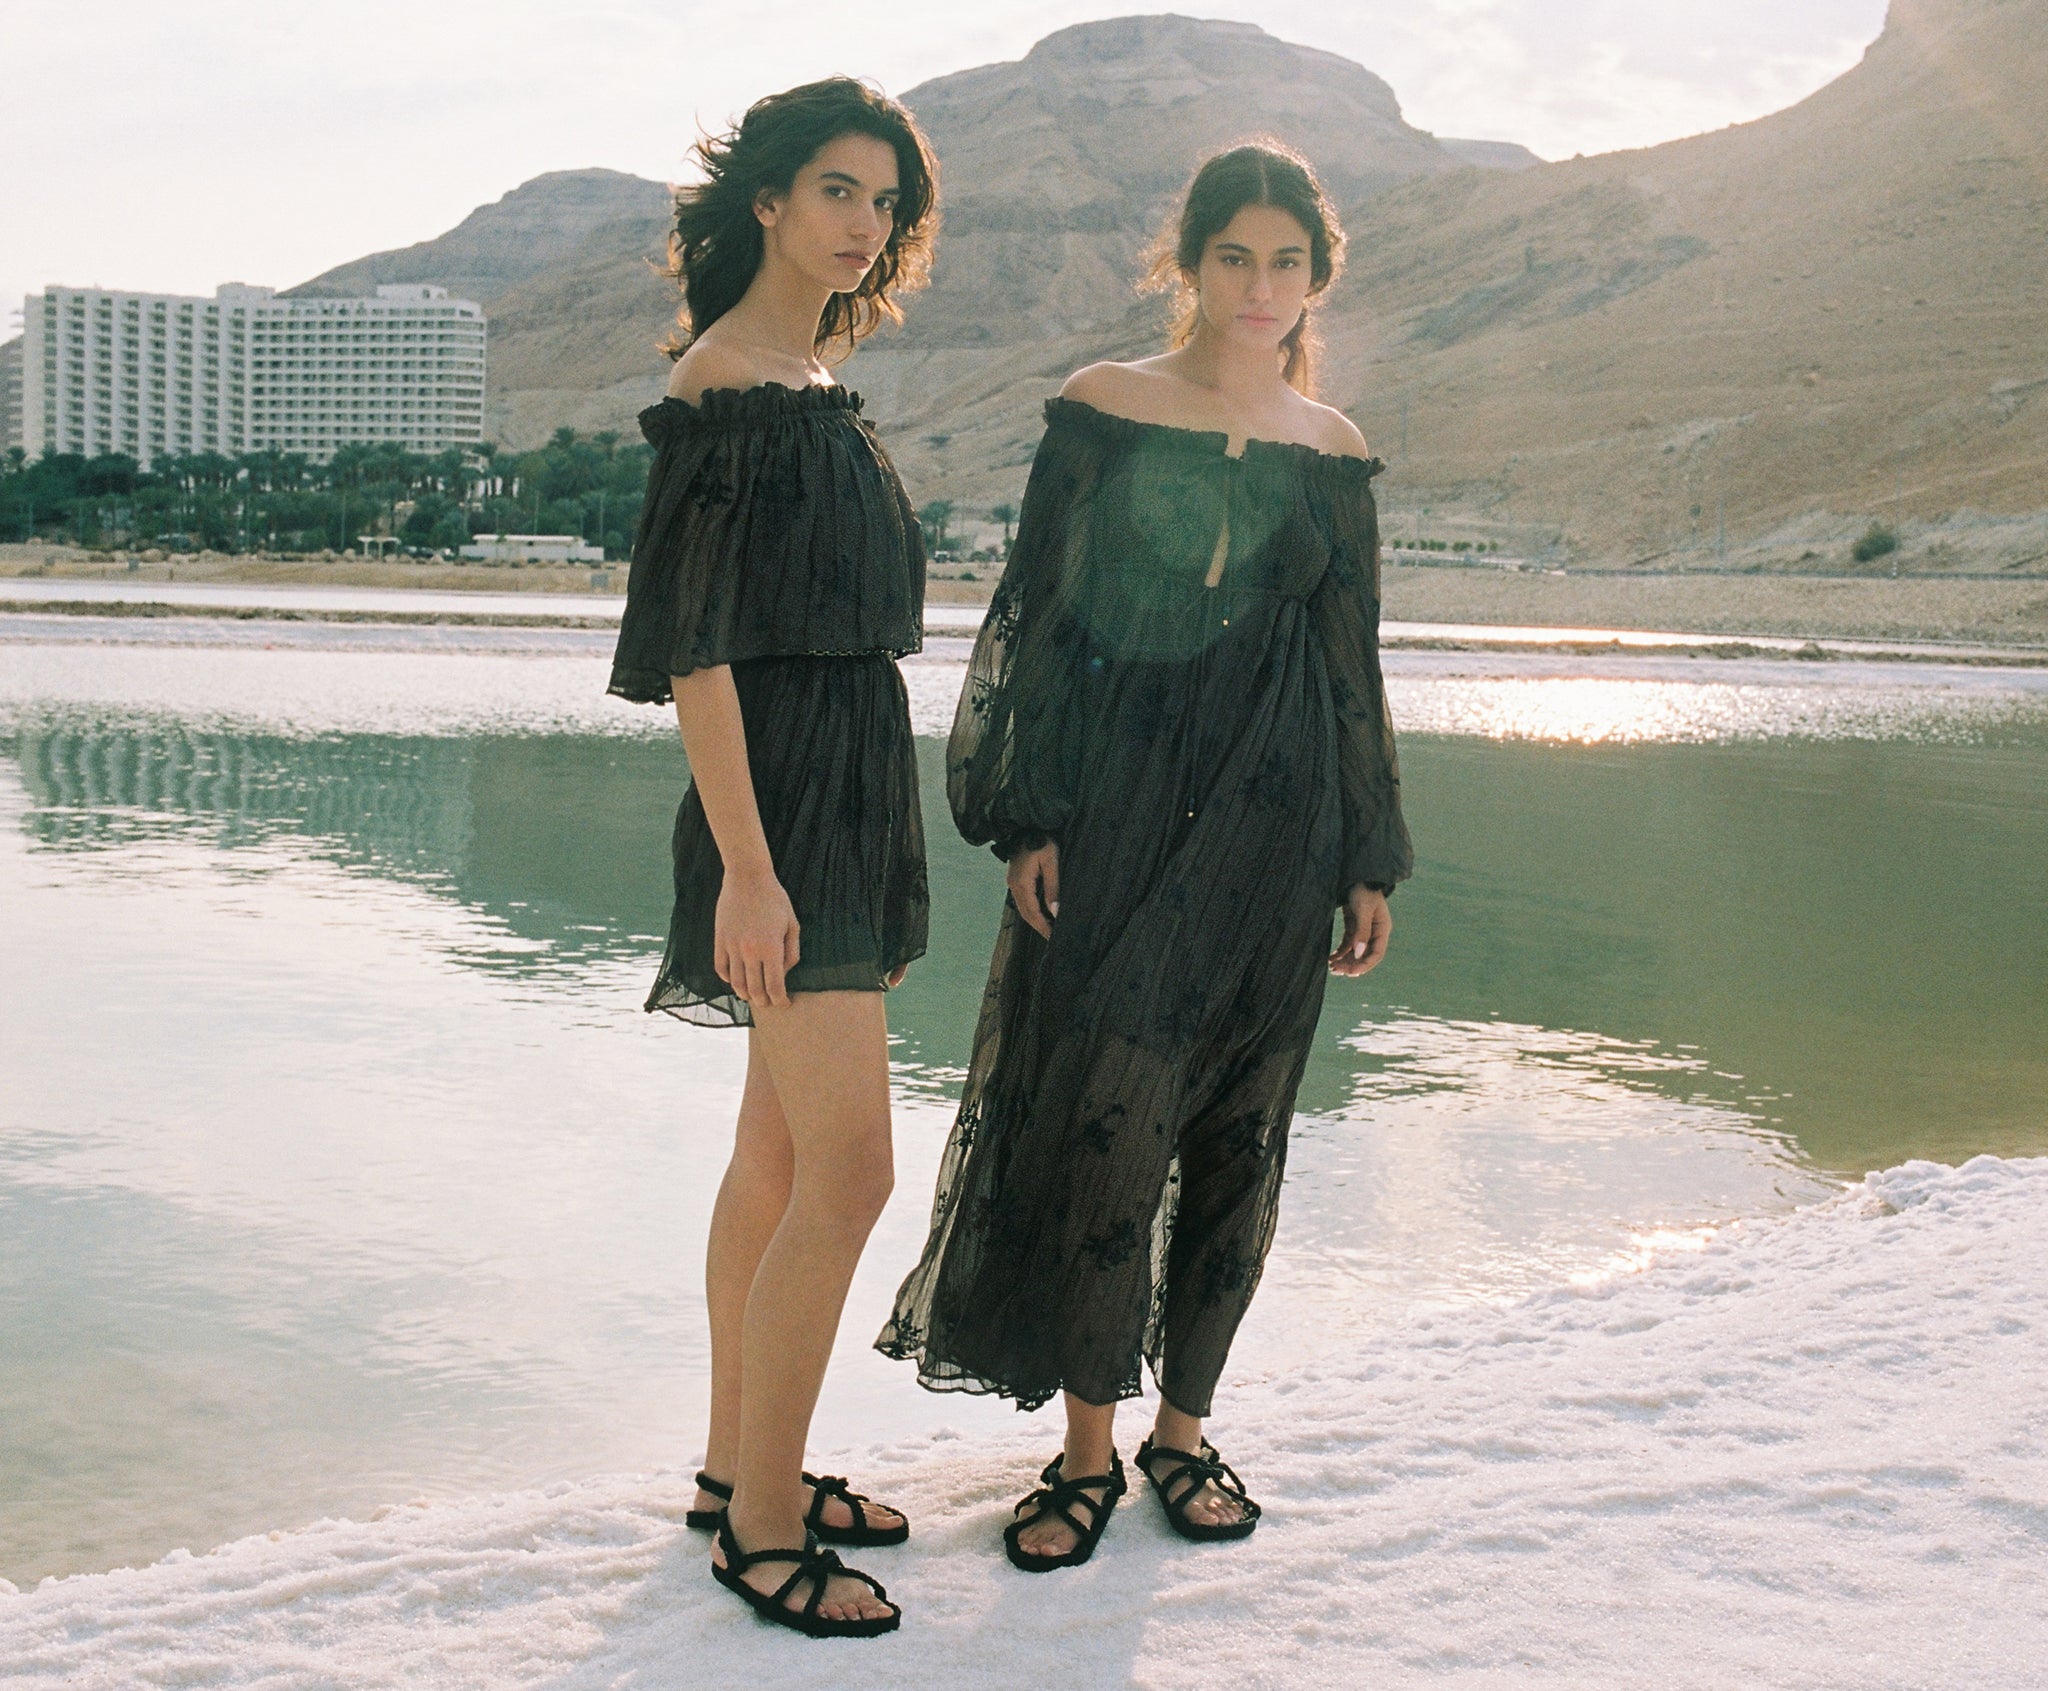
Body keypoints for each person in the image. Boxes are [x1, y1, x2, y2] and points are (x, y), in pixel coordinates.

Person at [878, 140, 1412, 1572]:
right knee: (1105, 1119)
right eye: (1234, 257)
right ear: (1190, 263)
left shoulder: (1333, 445)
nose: (1259, 286)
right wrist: (1031, 813)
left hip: (1281, 827)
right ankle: (1084, 1453)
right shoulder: (1108, 406)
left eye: (1285, 261)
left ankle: (1184, 1433)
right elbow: (1039, 617)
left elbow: (1350, 665)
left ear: (1317, 275)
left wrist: (1369, 855)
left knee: (1240, 1132)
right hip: (1117, 815)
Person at [607, 76, 938, 1638]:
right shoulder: (727, 383)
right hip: (782, 814)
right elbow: (696, 649)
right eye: (837, 191)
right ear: (769, 202)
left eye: (885, 200)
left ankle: (740, 1466)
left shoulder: (812, 377)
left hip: (839, 786)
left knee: (783, 1158)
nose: (865, 223)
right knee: (854, 1168)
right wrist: (748, 867)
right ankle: (761, 1527)